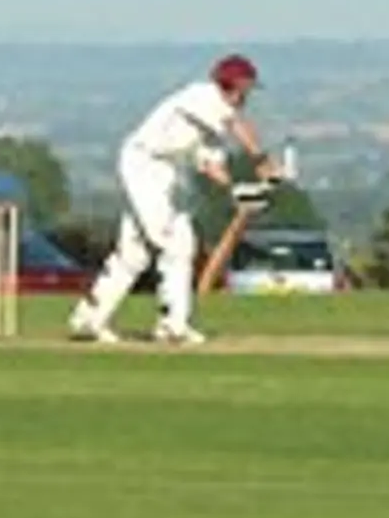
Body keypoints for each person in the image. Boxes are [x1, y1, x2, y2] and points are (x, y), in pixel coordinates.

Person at [67, 54, 279, 345]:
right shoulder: (203, 97)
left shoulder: (210, 128)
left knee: (133, 254)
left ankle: (89, 319)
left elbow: (213, 167)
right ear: (237, 85)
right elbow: (238, 126)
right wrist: (261, 159)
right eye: (248, 90)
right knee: (177, 243)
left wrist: (240, 191)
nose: (248, 98)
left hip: (165, 173)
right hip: (144, 163)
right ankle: (172, 324)